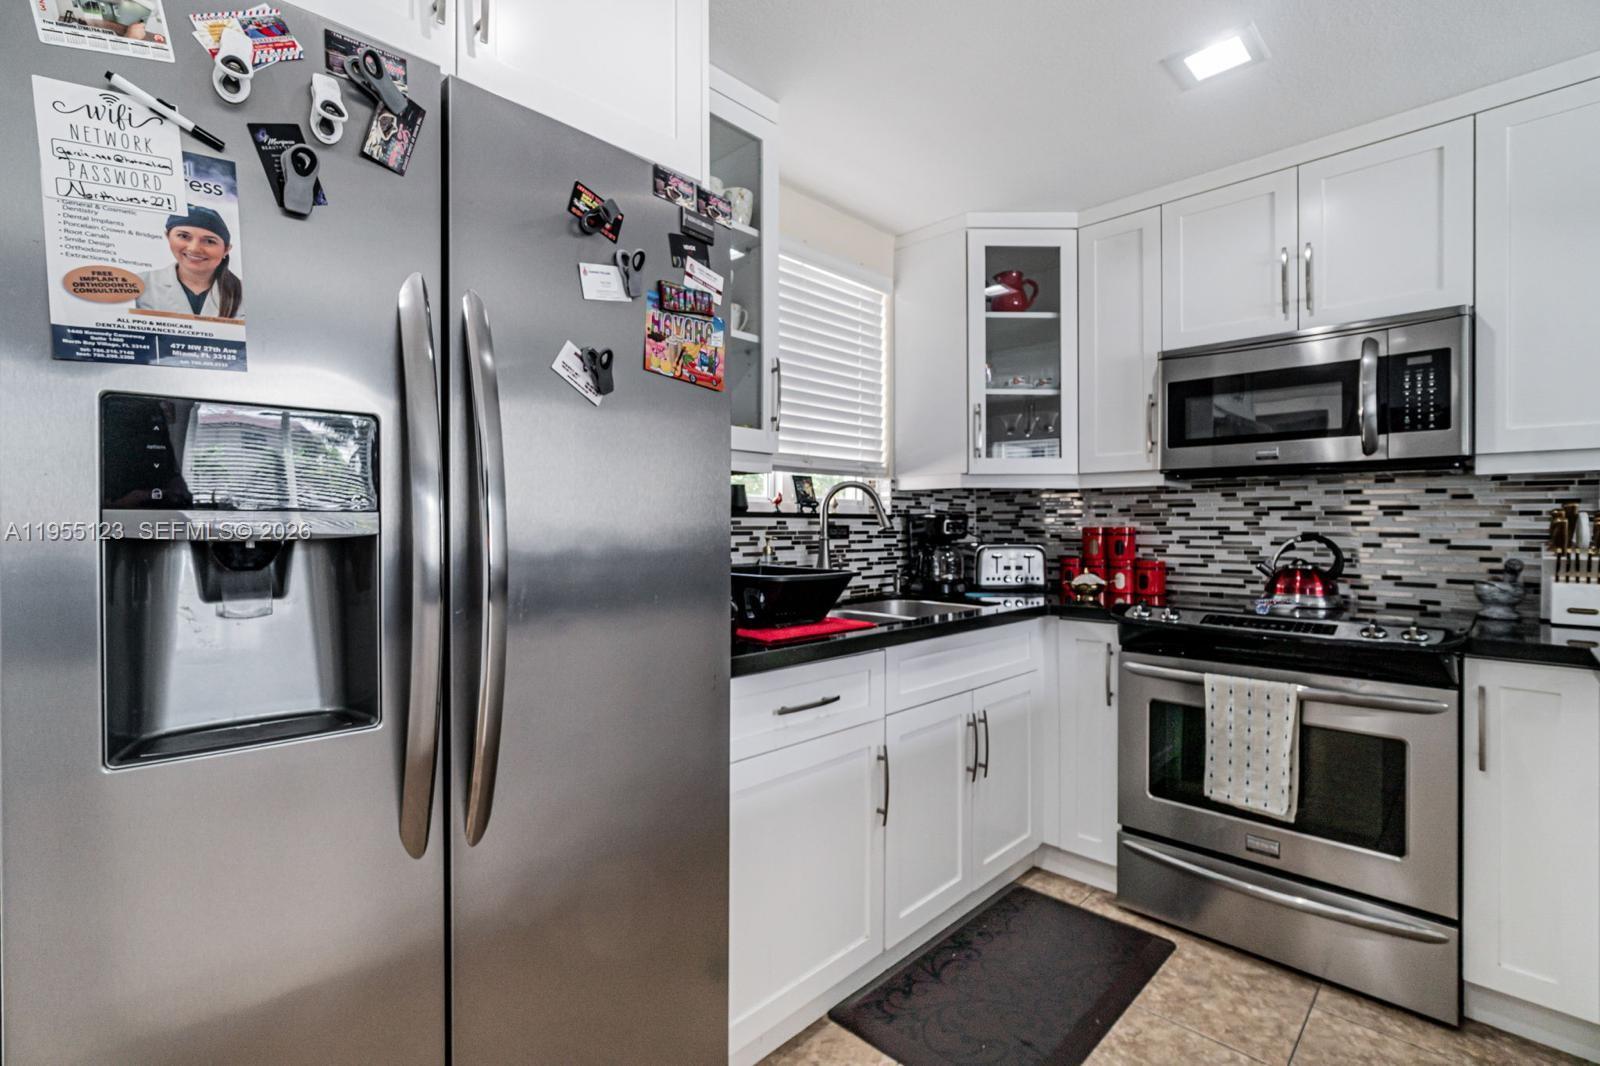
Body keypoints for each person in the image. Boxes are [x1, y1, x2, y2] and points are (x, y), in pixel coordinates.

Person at [136, 206, 243, 320]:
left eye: (209, 241)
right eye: (184, 236)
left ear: (226, 249)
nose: (194, 249)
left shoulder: (246, 293)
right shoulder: (140, 283)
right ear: (168, 237)